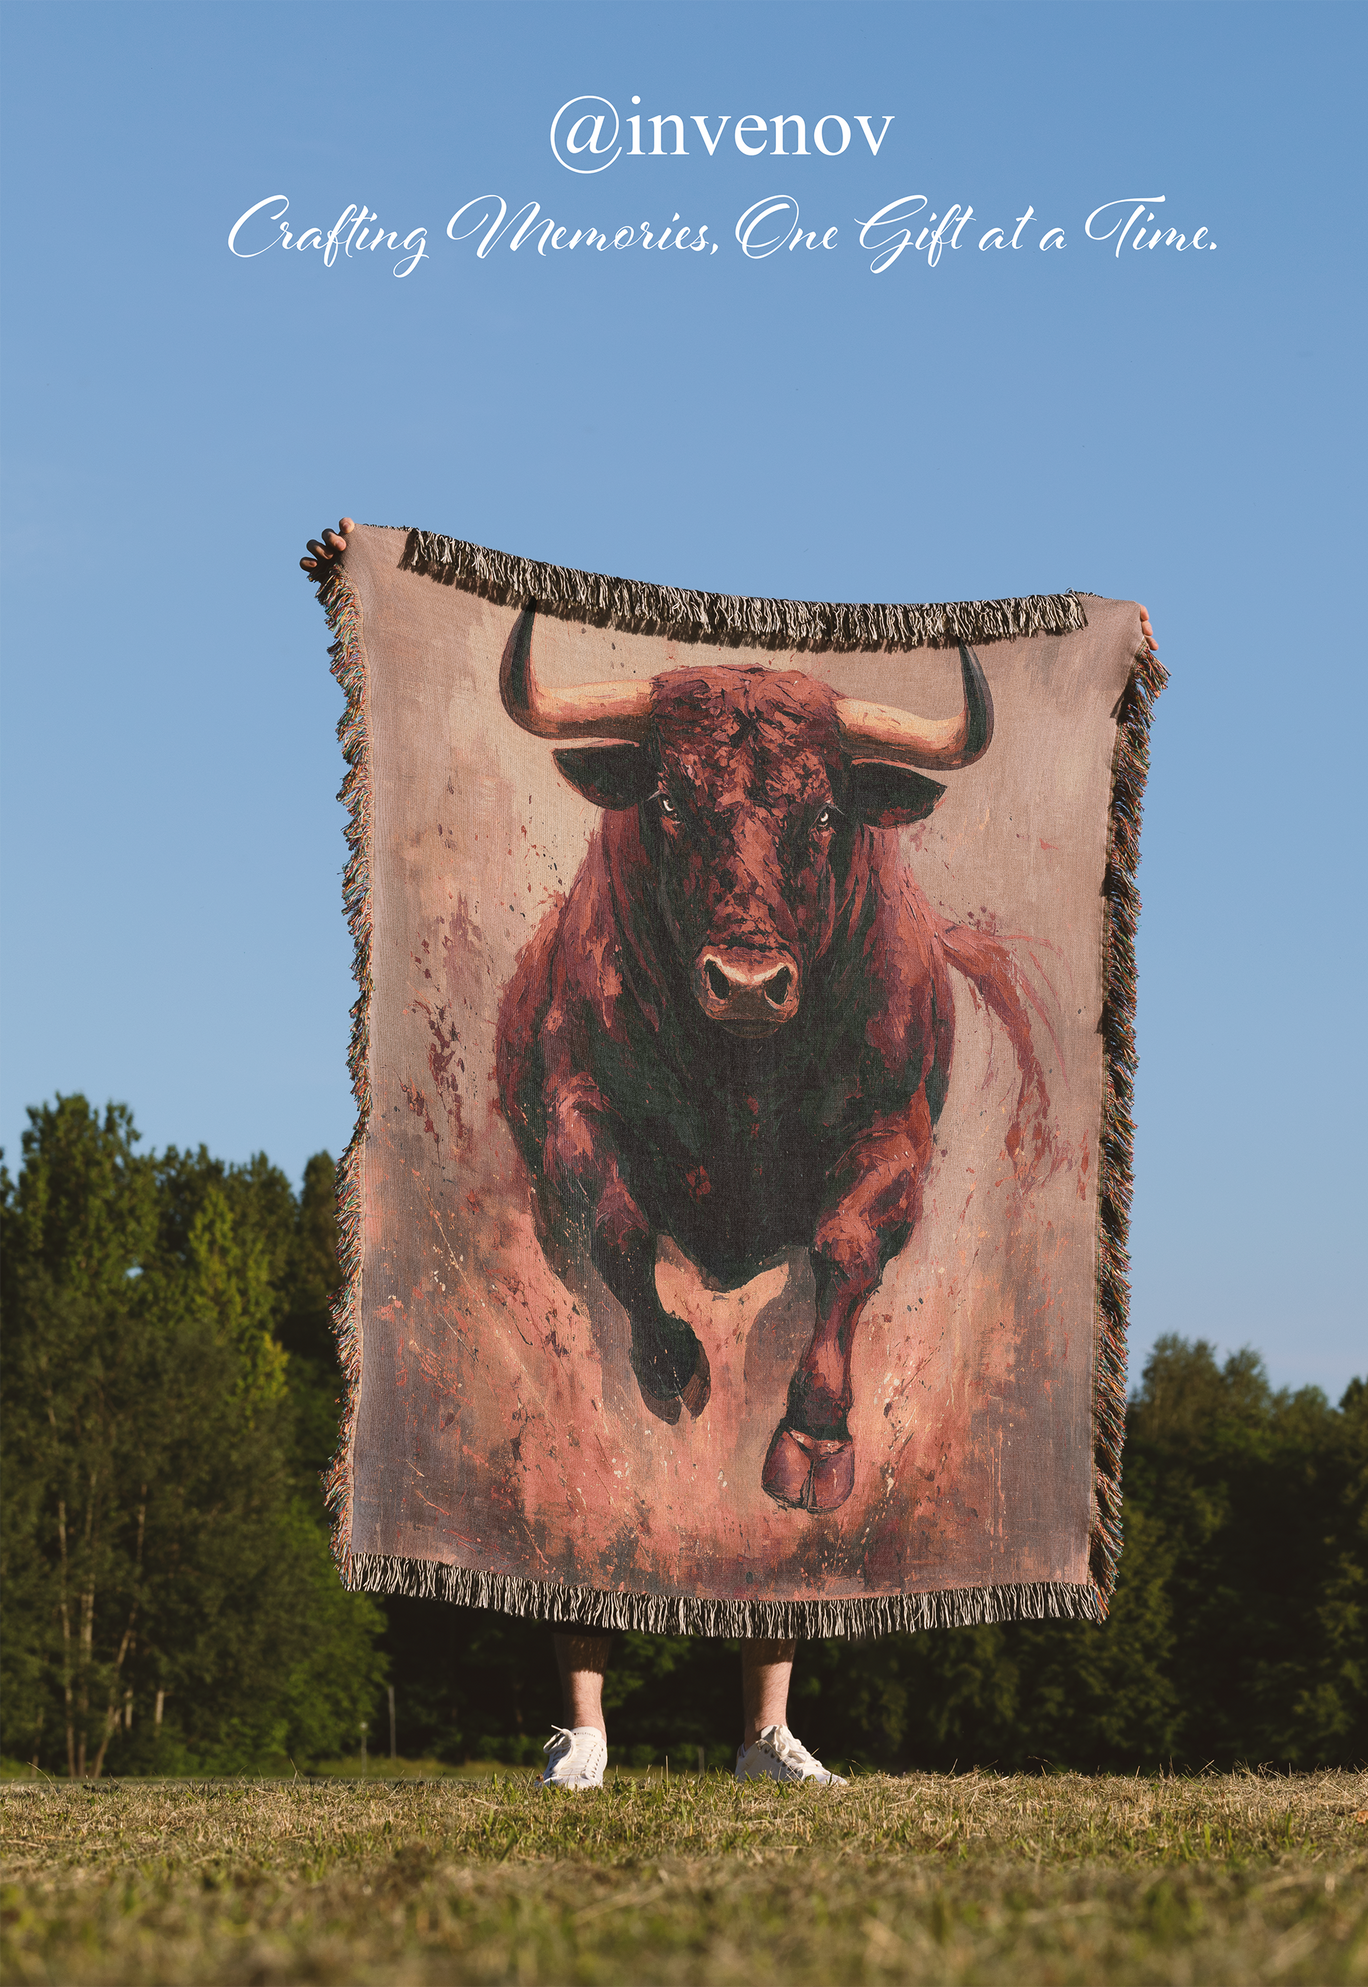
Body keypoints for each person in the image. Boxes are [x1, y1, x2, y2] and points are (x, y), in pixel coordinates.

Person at [300, 519, 1159, 1789]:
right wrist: (362, 558)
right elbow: (567, 1100)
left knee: (789, 1430)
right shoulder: (601, 953)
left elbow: (898, 1137)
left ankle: (763, 1730)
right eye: (687, 817)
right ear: (634, 800)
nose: (749, 882)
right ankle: (584, 1726)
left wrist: (1108, 659)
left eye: (809, 828)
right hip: (638, 1169)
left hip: (804, 1171)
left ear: (861, 816)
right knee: (579, 1403)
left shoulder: (880, 972)